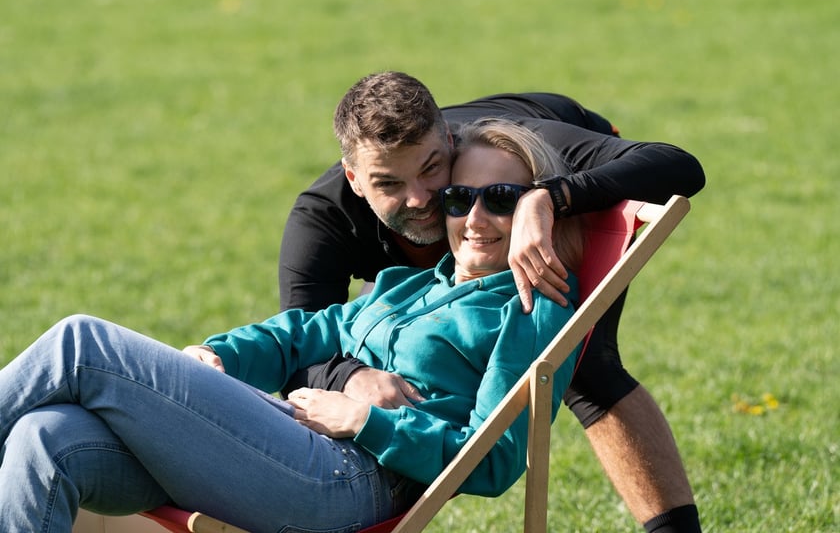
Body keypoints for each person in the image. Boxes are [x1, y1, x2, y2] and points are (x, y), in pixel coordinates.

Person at [0, 120, 585, 533]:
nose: (475, 218)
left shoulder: (535, 304)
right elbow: (301, 333)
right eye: (460, 198)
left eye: (503, 199)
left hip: (348, 484)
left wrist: (366, 422)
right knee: (45, 439)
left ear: (537, 212)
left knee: (81, 343)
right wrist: (218, 353)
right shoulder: (413, 286)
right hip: (289, 447)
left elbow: (495, 459)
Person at [278, 71, 705, 532]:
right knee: (372, 349)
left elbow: (679, 165)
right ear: (355, 179)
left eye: (429, 169)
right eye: (389, 184)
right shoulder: (321, 219)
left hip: (545, 193)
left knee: (584, 368)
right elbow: (298, 342)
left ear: (448, 139)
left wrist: (546, 198)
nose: (420, 199)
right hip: (447, 253)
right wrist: (351, 375)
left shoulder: (504, 149)